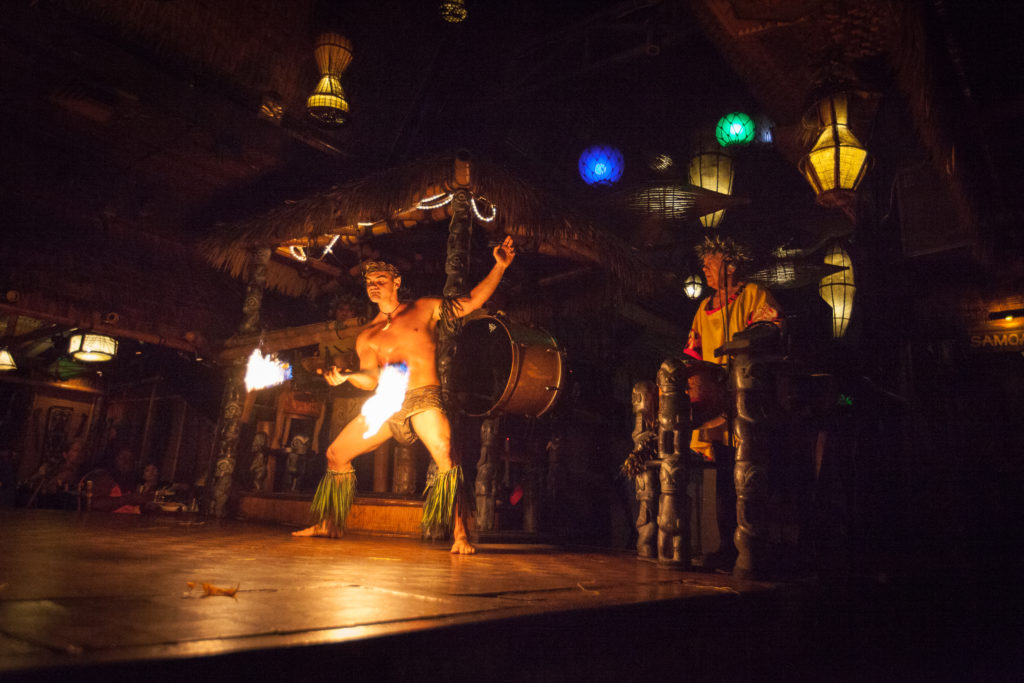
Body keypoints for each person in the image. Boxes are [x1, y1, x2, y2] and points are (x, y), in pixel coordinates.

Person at [293, 236, 517, 554]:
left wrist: (499, 266)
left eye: (380, 280)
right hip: (388, 403)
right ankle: (330, 523)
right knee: (335, 454)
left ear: (396, 282)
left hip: (423, 397)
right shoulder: (367, 334)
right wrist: (347, 377)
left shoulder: (423, 308)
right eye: (369, 281)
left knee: (445, 455)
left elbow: (470, 303)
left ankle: (461, 535)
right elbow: (370, 380)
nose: (373, 285)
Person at [683, 235, 782, 569]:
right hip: (717, 405)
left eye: (711, 262)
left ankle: (759, 545)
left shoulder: (755, 295)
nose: (705, 268)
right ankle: (728, 545)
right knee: (725, 473)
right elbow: (693, 352)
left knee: (751, 471)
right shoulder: (704, 307)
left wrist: (739, 345)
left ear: (732, 265)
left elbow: (770, 328)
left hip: (748, 400)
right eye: (706, 263)